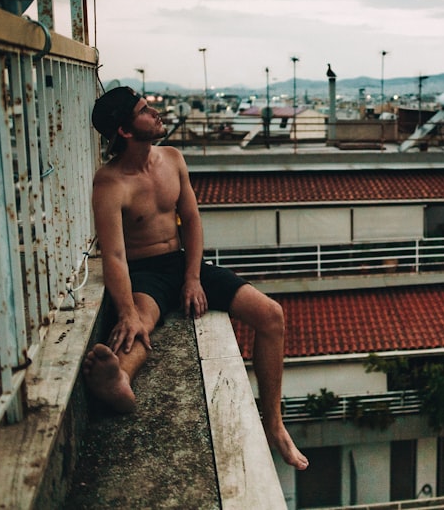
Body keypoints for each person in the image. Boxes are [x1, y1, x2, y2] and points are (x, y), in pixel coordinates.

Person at [83, 86, 308, 470]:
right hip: (145, 275)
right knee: (140, 324)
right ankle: (118, 379)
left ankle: (275, 426)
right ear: (124, 131)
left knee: (271, 315)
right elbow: (115, 256)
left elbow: (191, 220)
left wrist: (192, 278)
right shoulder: (110, 183)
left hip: (185, 265)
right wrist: (126, 310)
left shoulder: (172, 158)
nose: (154, 112)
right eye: (143, 110)